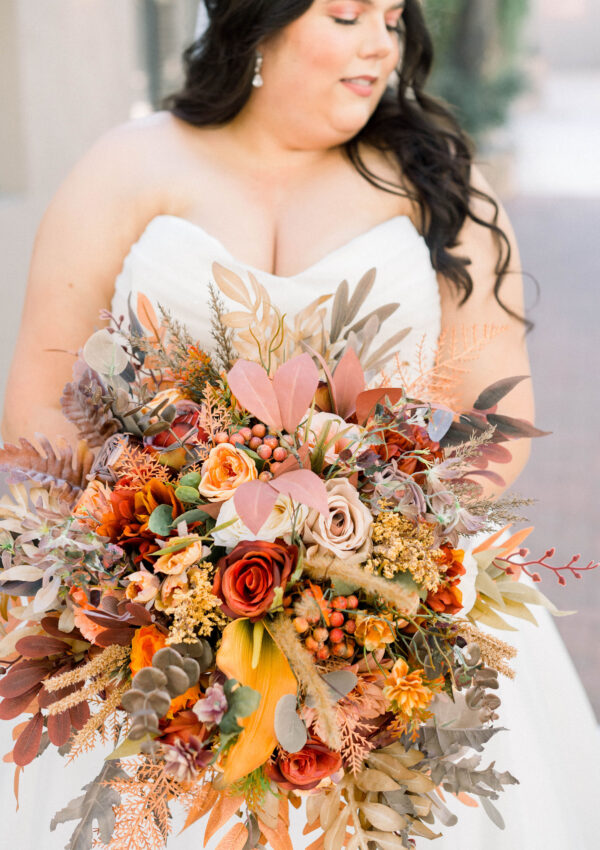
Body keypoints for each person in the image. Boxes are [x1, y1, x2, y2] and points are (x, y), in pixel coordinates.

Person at [1, 1, 598, 848]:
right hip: (138, 625)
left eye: (392, 19)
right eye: (348, 13)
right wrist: (148, 571)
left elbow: (494, 411)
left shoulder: (436, 174)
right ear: (258, 21)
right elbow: (38, 399)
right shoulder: (127, 166)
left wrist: (372, 565)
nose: (379, 44)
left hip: (397, 619)